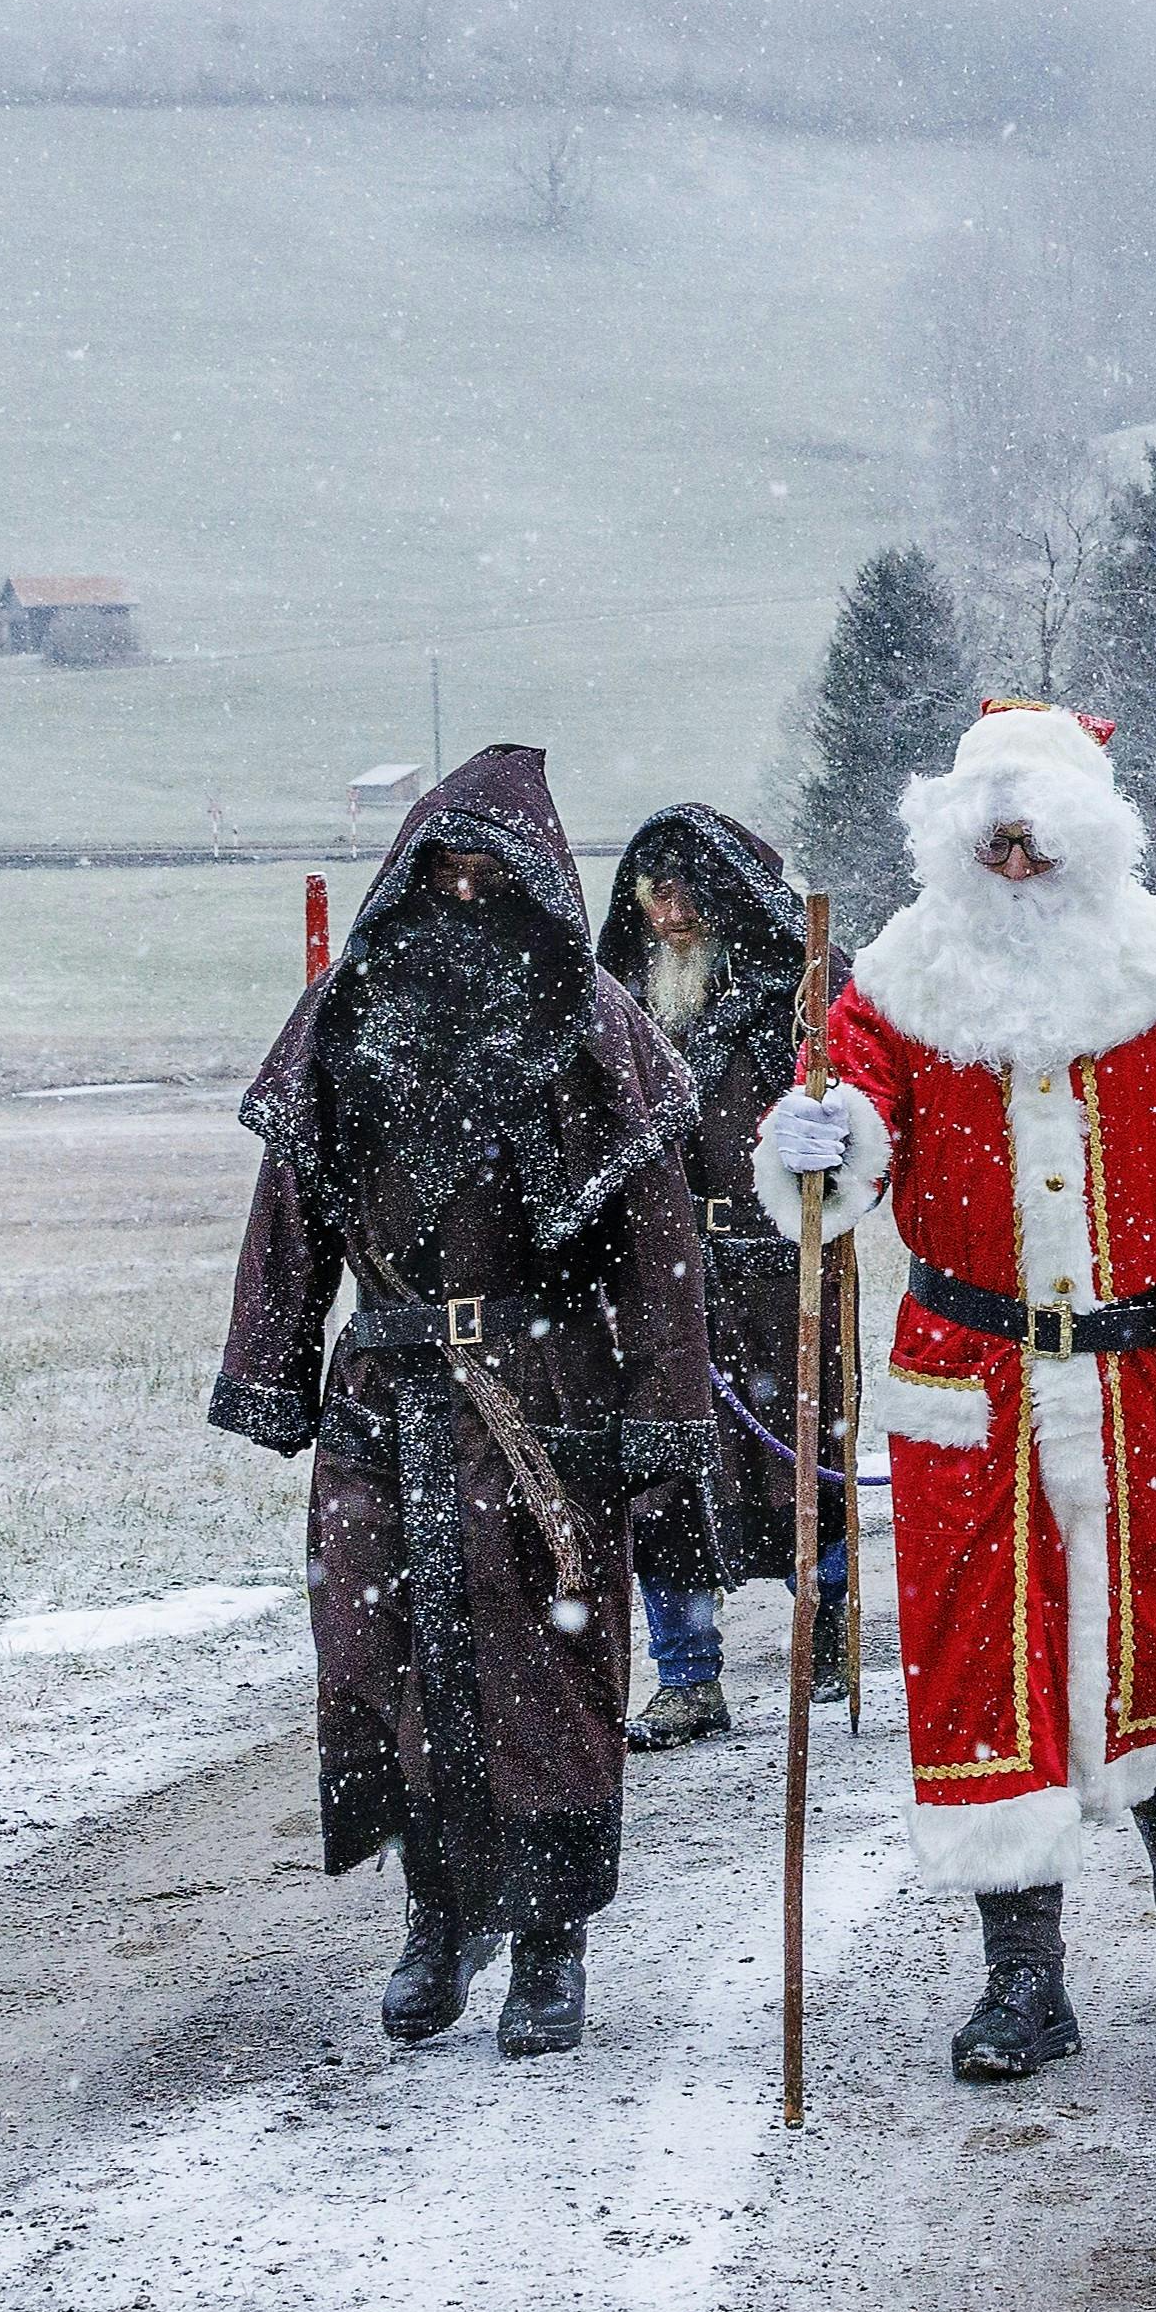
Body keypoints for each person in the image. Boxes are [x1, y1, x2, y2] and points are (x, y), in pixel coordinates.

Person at [758, 702, 1156, 2081]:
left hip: (1136, 1374)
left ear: (1086, 837)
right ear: (959, 836)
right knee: (977, 1667)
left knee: (1155, 1622)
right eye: (992, 837)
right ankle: (1024, 1977)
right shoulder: (893, 982)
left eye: (1037, 837)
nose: (1015, 863)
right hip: (972, 1379)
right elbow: (849, 1157)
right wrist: (821, 1141)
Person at [210, 749, 719, 2063]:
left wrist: (661, 1422)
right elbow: (288, 1218)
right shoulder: (346, 1020)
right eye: (446, 870)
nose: (467, 892)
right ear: (410, 876)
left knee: (542, 1673)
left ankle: (549, 1938)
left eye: (496, 876)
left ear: (540, 887)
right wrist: (266, 1369)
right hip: (381, 1399)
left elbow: (660, 1250)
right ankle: (438, 1911)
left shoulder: (593, 1030)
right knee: (385, 1666)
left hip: (537, 1401)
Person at [598, 802, 853, 1743]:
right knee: (666, 1470)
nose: (669, 914)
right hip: (662, 1274)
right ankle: (688, 1676)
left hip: (781, 1257)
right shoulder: (620, 998)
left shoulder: (800, 987)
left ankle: (825, 1627)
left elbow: (859, 1101)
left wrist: (838, 1146)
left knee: (801, 1453)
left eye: (684, 893)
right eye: (652, 894)